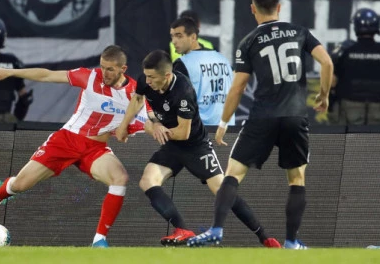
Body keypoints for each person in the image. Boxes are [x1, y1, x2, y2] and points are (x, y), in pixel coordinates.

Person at [188, 0, 333, 249]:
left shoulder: (249, 41)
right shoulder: (299, 32)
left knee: (233, 174)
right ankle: (291, 242)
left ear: (253, 9)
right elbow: (326, 62)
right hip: (295, 116)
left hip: (263, 116)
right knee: (297, 179)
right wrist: (323, 95)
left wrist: (223, 122)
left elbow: (239, 87)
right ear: (279, 7)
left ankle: (216, 229)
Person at [0, 45, 145, 247]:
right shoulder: (89, 77)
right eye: (102, 67)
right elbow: (47, 75)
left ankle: (99, 240)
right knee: (20, 185)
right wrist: (10, 72)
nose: (104, 73)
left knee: (120, 178)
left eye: (110, 69)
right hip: (66, 140)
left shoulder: (135, 94)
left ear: (123, 69)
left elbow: (148, 120)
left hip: (95, 148)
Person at [116, 50, 280, 247]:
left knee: (222, 191)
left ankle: (264, 237)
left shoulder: (183, 91)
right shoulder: (146, 80)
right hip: (172, 145)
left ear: (167, 75)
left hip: (195, 146)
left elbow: (183, 133)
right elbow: (137, 99)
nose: (147, 81)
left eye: (152, 77)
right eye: (146, 76)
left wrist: (152, 128)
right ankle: (182, 229)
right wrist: (125, 126)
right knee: (147, 181)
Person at [331, 9, 380, 125]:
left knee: (348, 137)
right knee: (375, 138)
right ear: (377, 27)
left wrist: (331, 109)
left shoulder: (343, 52)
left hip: (348, 111)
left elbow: (331, 85)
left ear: (356, 27)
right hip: (379, 111)